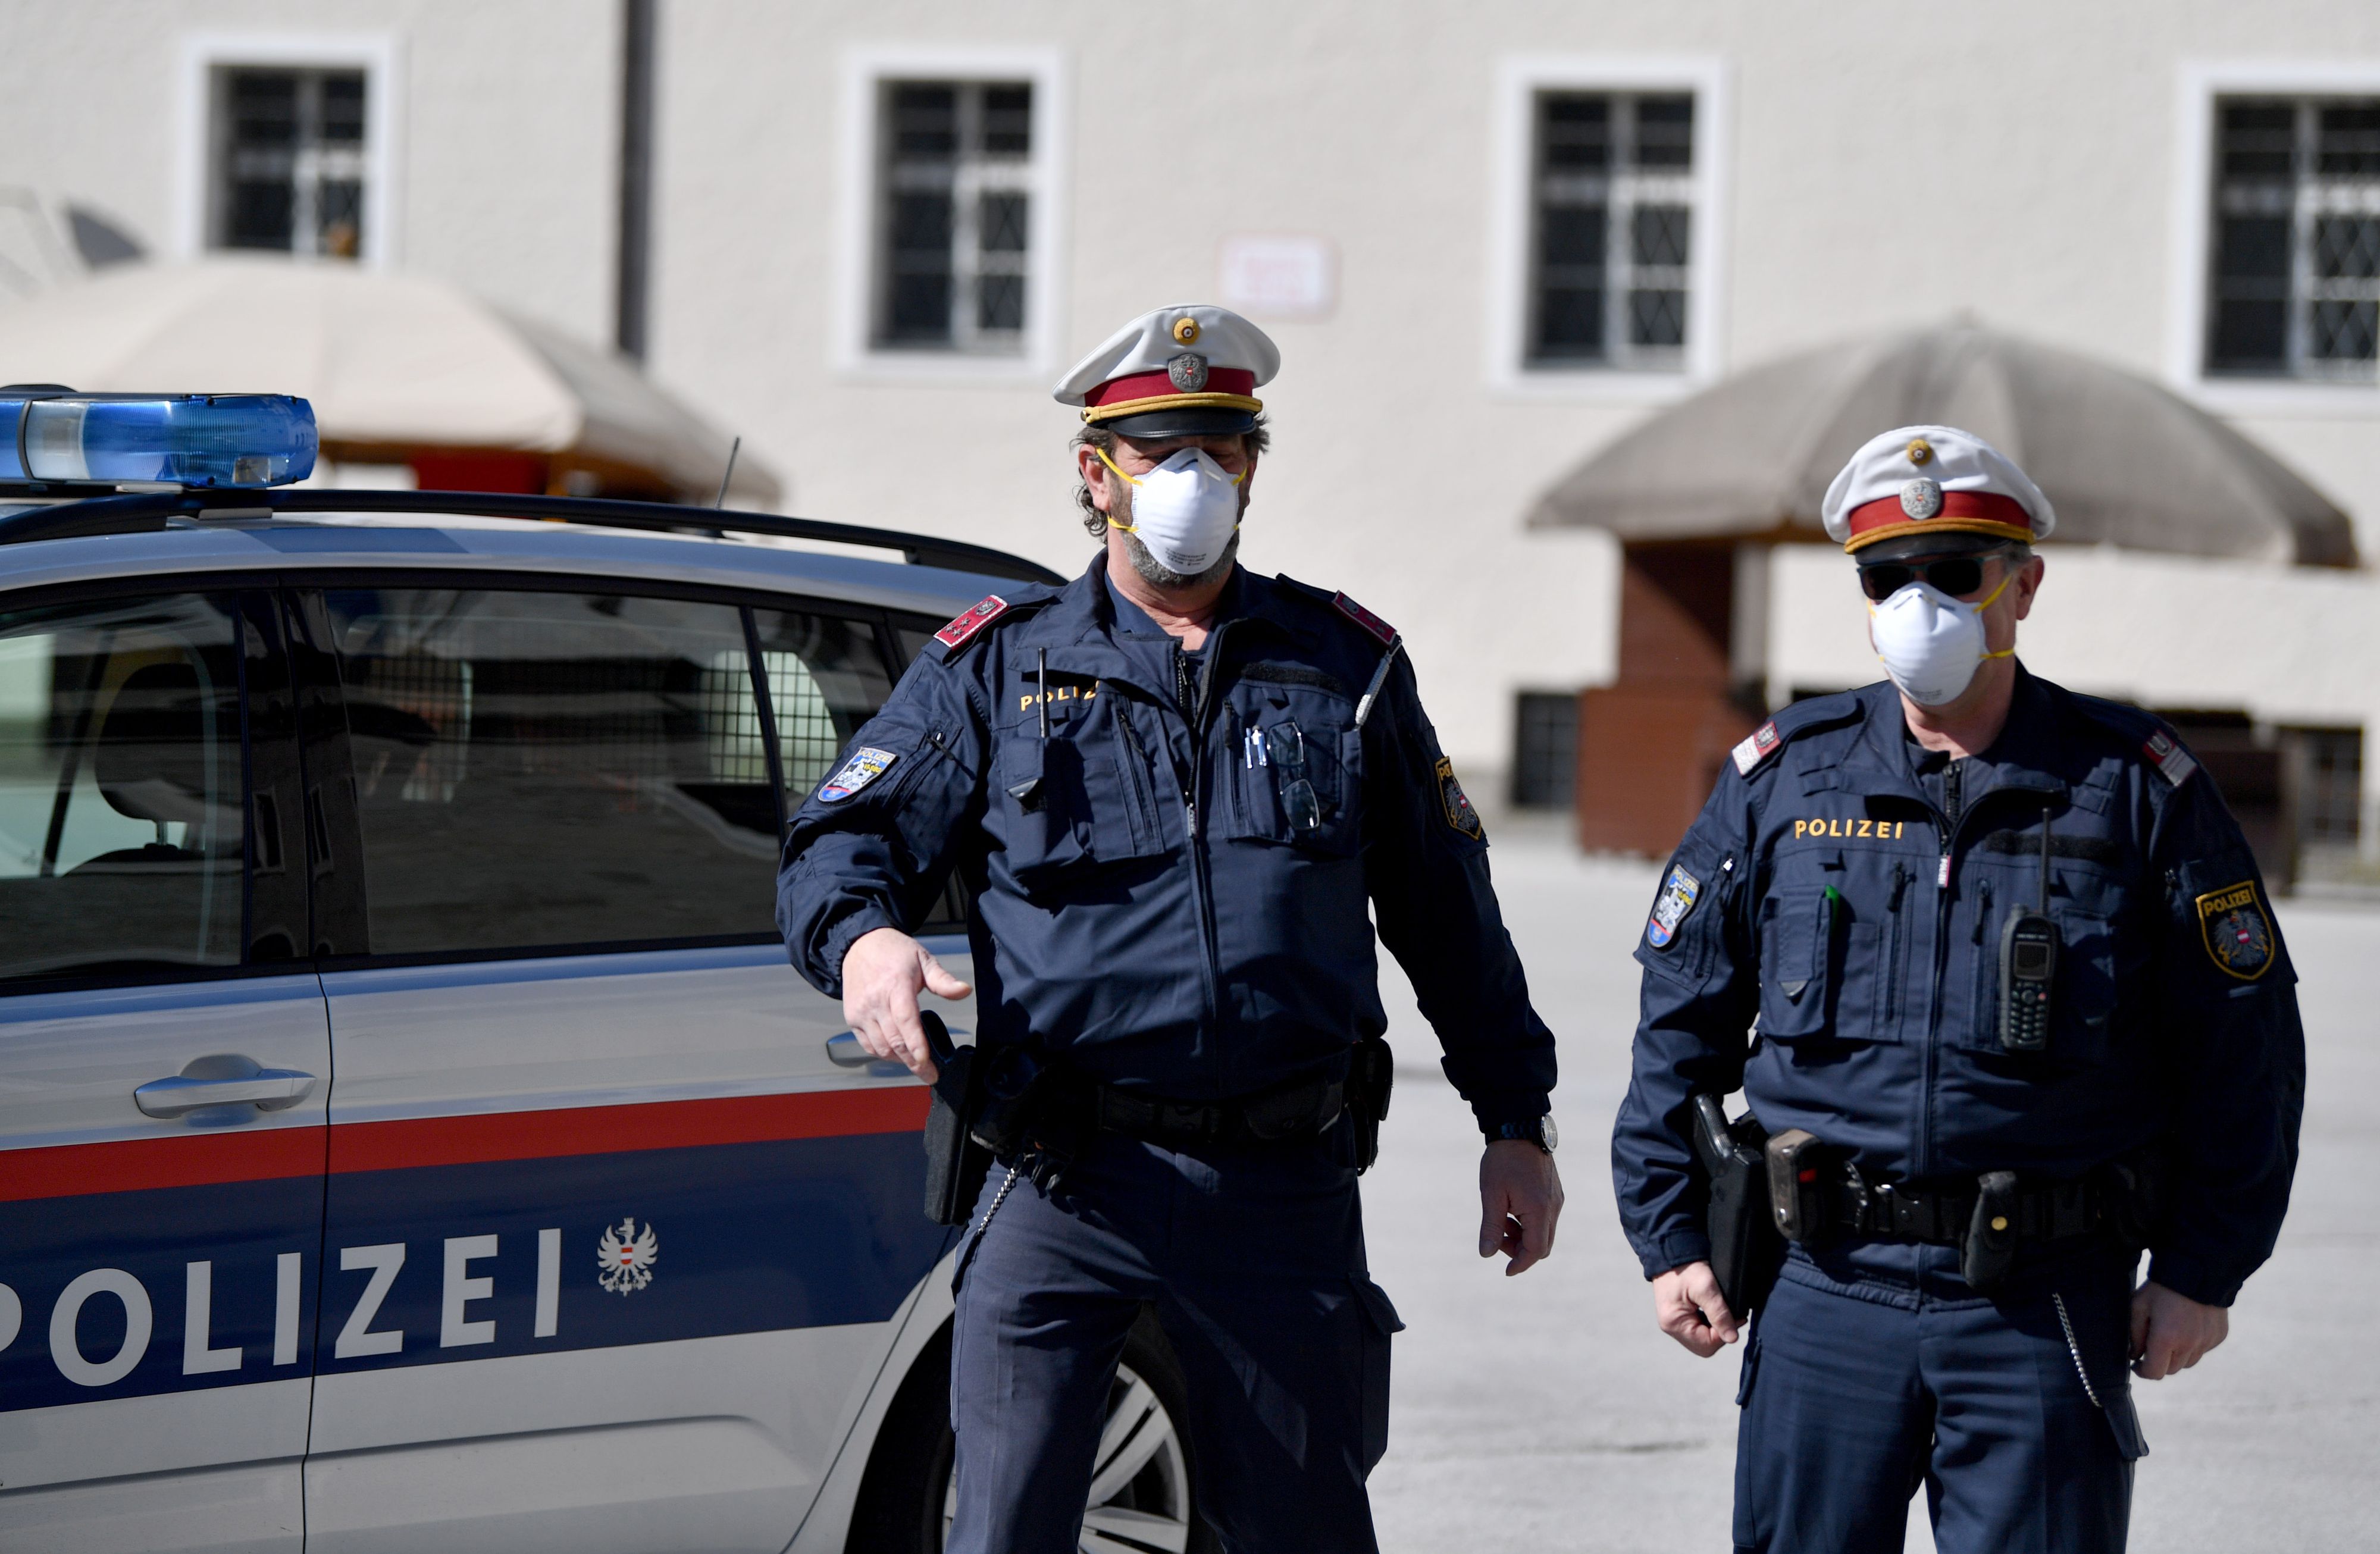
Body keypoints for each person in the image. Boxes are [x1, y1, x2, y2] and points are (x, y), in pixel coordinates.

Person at [778, 303, 1562, 1553]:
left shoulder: (1341, 668)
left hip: (1279, 1185)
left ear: (1254, 464)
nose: (1192, 476)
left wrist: (1512, 1120)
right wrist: (863, 941)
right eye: (1157, 450)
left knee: (1299, 1531)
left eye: (1221, 446)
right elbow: (839, 843)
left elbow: (1447, 915)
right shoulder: (997, 669)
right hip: (1063, 1175)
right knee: (1002, 1529)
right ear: (1095, 475)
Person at [1609, 424, 2304, 1554]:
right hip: (1827, 1295)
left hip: (2041, 1306)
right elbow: (1675, 1026)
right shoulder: (1787, 781)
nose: (1917, 602)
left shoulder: (2131, 790)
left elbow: (2249, 1048)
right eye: (1889, 577)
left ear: (2023, 586)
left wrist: (2202, 1270)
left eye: (1955, 573)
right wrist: (1669, 1234)